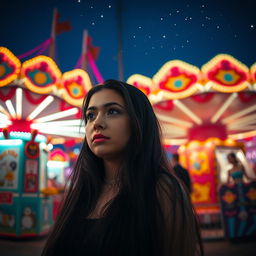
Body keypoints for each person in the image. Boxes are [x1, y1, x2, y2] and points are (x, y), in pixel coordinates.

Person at [42, 80, 203, 256]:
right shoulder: (82, 192)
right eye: (90, 116)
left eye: (112, 111)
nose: (97, 123)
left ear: (138, 122)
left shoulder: (161, 190)